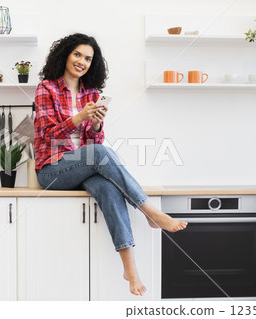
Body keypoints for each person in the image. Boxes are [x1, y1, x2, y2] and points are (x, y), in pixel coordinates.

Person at [34, 33, 187, 296]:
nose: (82, 61)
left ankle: (130, 268)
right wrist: (80, 116)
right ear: (66, 55)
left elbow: (95, 140)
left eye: (88, 58)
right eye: (77, 55)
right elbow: (48, 135)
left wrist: (94, 123)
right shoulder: (46, 88)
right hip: (52, 170)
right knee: (98, 152)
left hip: (81, 167)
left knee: (108, 188)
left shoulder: (91, 93)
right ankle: (150, 210)